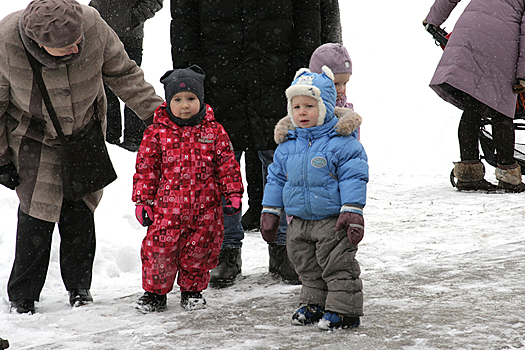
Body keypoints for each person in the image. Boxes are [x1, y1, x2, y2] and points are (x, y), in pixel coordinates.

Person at [0, 0, 164, 314]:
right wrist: (1, 157)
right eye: (66, 47)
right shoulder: (7, 40)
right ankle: (23, 294)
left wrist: (161, 119)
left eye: (78, 42)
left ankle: (79, 288)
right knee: (36, 214)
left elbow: (125, 75)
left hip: (85, 132)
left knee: (80, 212)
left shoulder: (92, 23)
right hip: (33, 135)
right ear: (39, 44)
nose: (76, 49)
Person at [170, 0, 343, 287]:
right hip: (218, 76)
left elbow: (308, 17)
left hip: (278, 75)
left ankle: (284, 247)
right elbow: (185, 23)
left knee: (283, 164)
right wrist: (191, 77)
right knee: (219, 169)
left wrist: (303, 73)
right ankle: (225, 249)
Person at [260, 66, 367, 330]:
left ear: (327, 106)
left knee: (338, 265)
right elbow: (276, 179)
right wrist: (270, 210)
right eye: (296, 107)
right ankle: (313, 303)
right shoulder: (287, 145)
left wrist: (352, 210)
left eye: (310, 105)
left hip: (333, 220)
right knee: (306, 267)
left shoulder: (343, 143)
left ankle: (345, 311)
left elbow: (354, 177)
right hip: (299, 221)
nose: (302, 112)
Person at [132, 65, 244, 312]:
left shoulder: (214, 132)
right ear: (168, 102)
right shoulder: (156, 133)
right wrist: (143, 201)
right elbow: (146, 170)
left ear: (201, 100)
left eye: (191, 99)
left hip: (206, 211)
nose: (185, 105)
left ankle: (192, 291)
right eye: (178, 99)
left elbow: (227, 164)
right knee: (159, 252)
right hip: (166, 211)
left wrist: (233, 194)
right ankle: (154, 293)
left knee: (200, 252)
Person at [424, 0, 525, 192]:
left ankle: (469, 172)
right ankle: (509, 175)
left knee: (473, 106)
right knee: (502, 109)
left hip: (469, 30)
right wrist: (522, 76)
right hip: (502, 39)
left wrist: (433, 20)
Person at [89, 0, 164, 152]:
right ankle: (110, 136)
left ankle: (134, 138)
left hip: (130, 38)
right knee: (104, 88)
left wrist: (133, 18)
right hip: (101, 34)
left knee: (131, 86)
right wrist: (93, 12)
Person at [309, 43, 360, 140]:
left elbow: (356, 148)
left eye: (345, 83)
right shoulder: (303, 112)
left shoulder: (348, 114)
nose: (341, 90)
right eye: (336, 84)